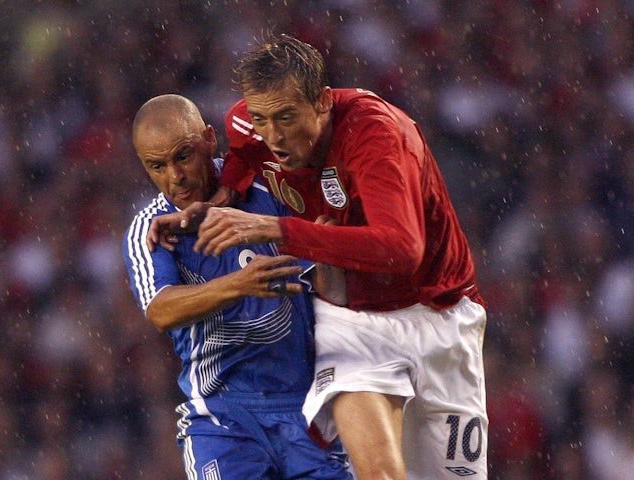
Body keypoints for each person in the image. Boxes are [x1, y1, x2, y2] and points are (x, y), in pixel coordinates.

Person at [192, 34, 489, 480]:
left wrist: (280, 229)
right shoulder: (249, 124)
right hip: (353, 323)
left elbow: (403, 249)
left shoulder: (377, 135)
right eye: (262, 118)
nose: (273, 135)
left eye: (287, 118)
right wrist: (220, 194)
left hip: (441, 314)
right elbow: (242, 150)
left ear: (324, 102)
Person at [122, 94, 351, 479]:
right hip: (222, 416)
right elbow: (161, 311)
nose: (174, 177)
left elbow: (334, 293)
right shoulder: (151, 229)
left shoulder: (270, 187)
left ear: (210, 139)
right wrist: (238, 285)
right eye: (156, 166)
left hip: (308, 406)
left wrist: (327, 249)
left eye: (183, 156)